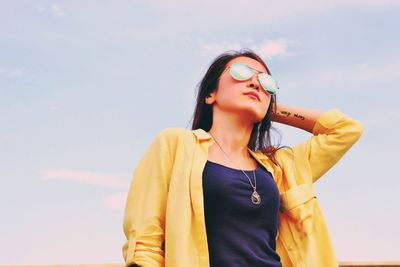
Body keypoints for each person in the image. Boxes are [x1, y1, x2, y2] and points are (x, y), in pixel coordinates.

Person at [122, 49, 364, 267]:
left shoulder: (280, 166)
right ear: (210, 94)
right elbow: (145, 243)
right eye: (241, 72)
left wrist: (269, 110)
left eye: (266, 81)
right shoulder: (176, 145)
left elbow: (345, 129)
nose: (255, 83)